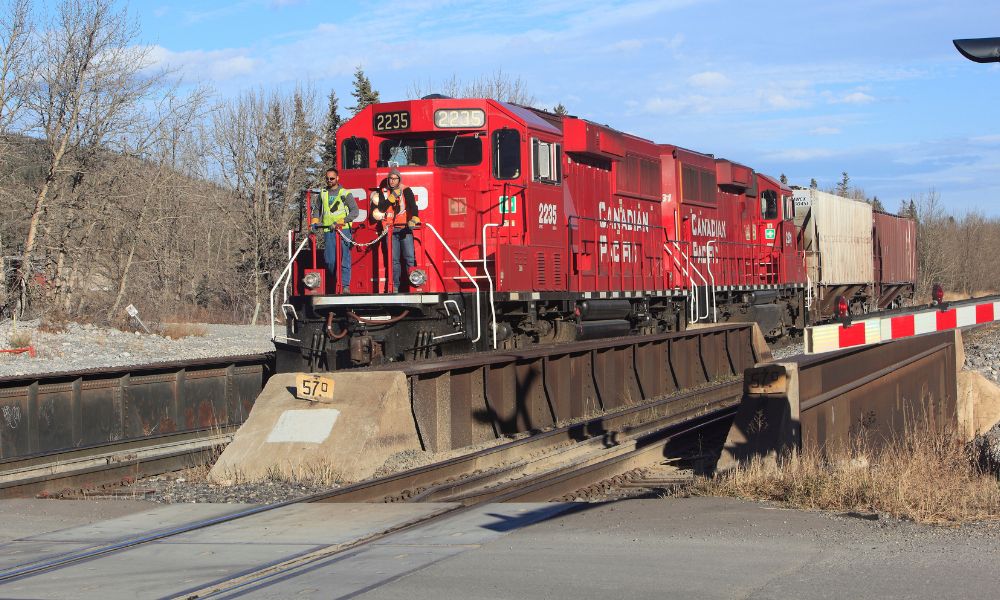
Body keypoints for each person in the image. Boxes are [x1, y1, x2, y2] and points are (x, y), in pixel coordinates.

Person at [371, 167, 420, 292]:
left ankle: (413, 285)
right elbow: (381, 208)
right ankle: (395, 287)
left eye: (395, 178)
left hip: (405, 229)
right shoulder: (384, 192)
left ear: (399, 179)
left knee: (409, 258)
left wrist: (414, 219)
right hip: (390, 230)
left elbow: (413, 207)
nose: (392, 181)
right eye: (390, 178)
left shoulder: (406, 190)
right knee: (394, 261)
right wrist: (391, 197)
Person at [311, 168, 358, 293]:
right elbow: (317, 209)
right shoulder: (323, 193)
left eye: (332, 178)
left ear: (337, 178)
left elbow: (355, 211)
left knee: (344, 258)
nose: (329, 181)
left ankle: (345, 286)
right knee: (330, 260)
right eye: (327, 178)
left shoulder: (345, 193)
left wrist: (342, 221)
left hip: (344, 231)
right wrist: (315, 222)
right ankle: (336, 278)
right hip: (328, 231)